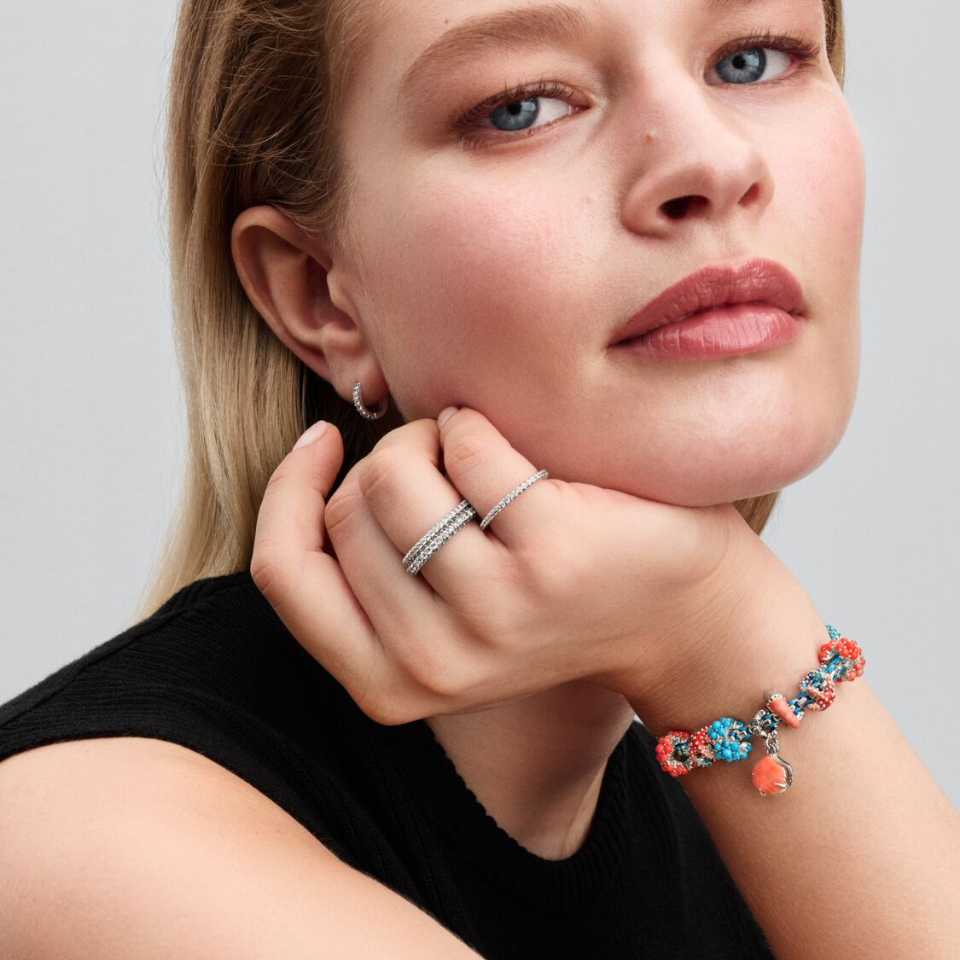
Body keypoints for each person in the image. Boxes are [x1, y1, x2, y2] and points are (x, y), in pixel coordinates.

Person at [0, 0, 957, 957]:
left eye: (754, 59)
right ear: (319, 294)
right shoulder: (91, 849)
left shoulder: (749, 825)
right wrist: (720, 633)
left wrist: (714, 628)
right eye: (521, 107)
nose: (713, 162)